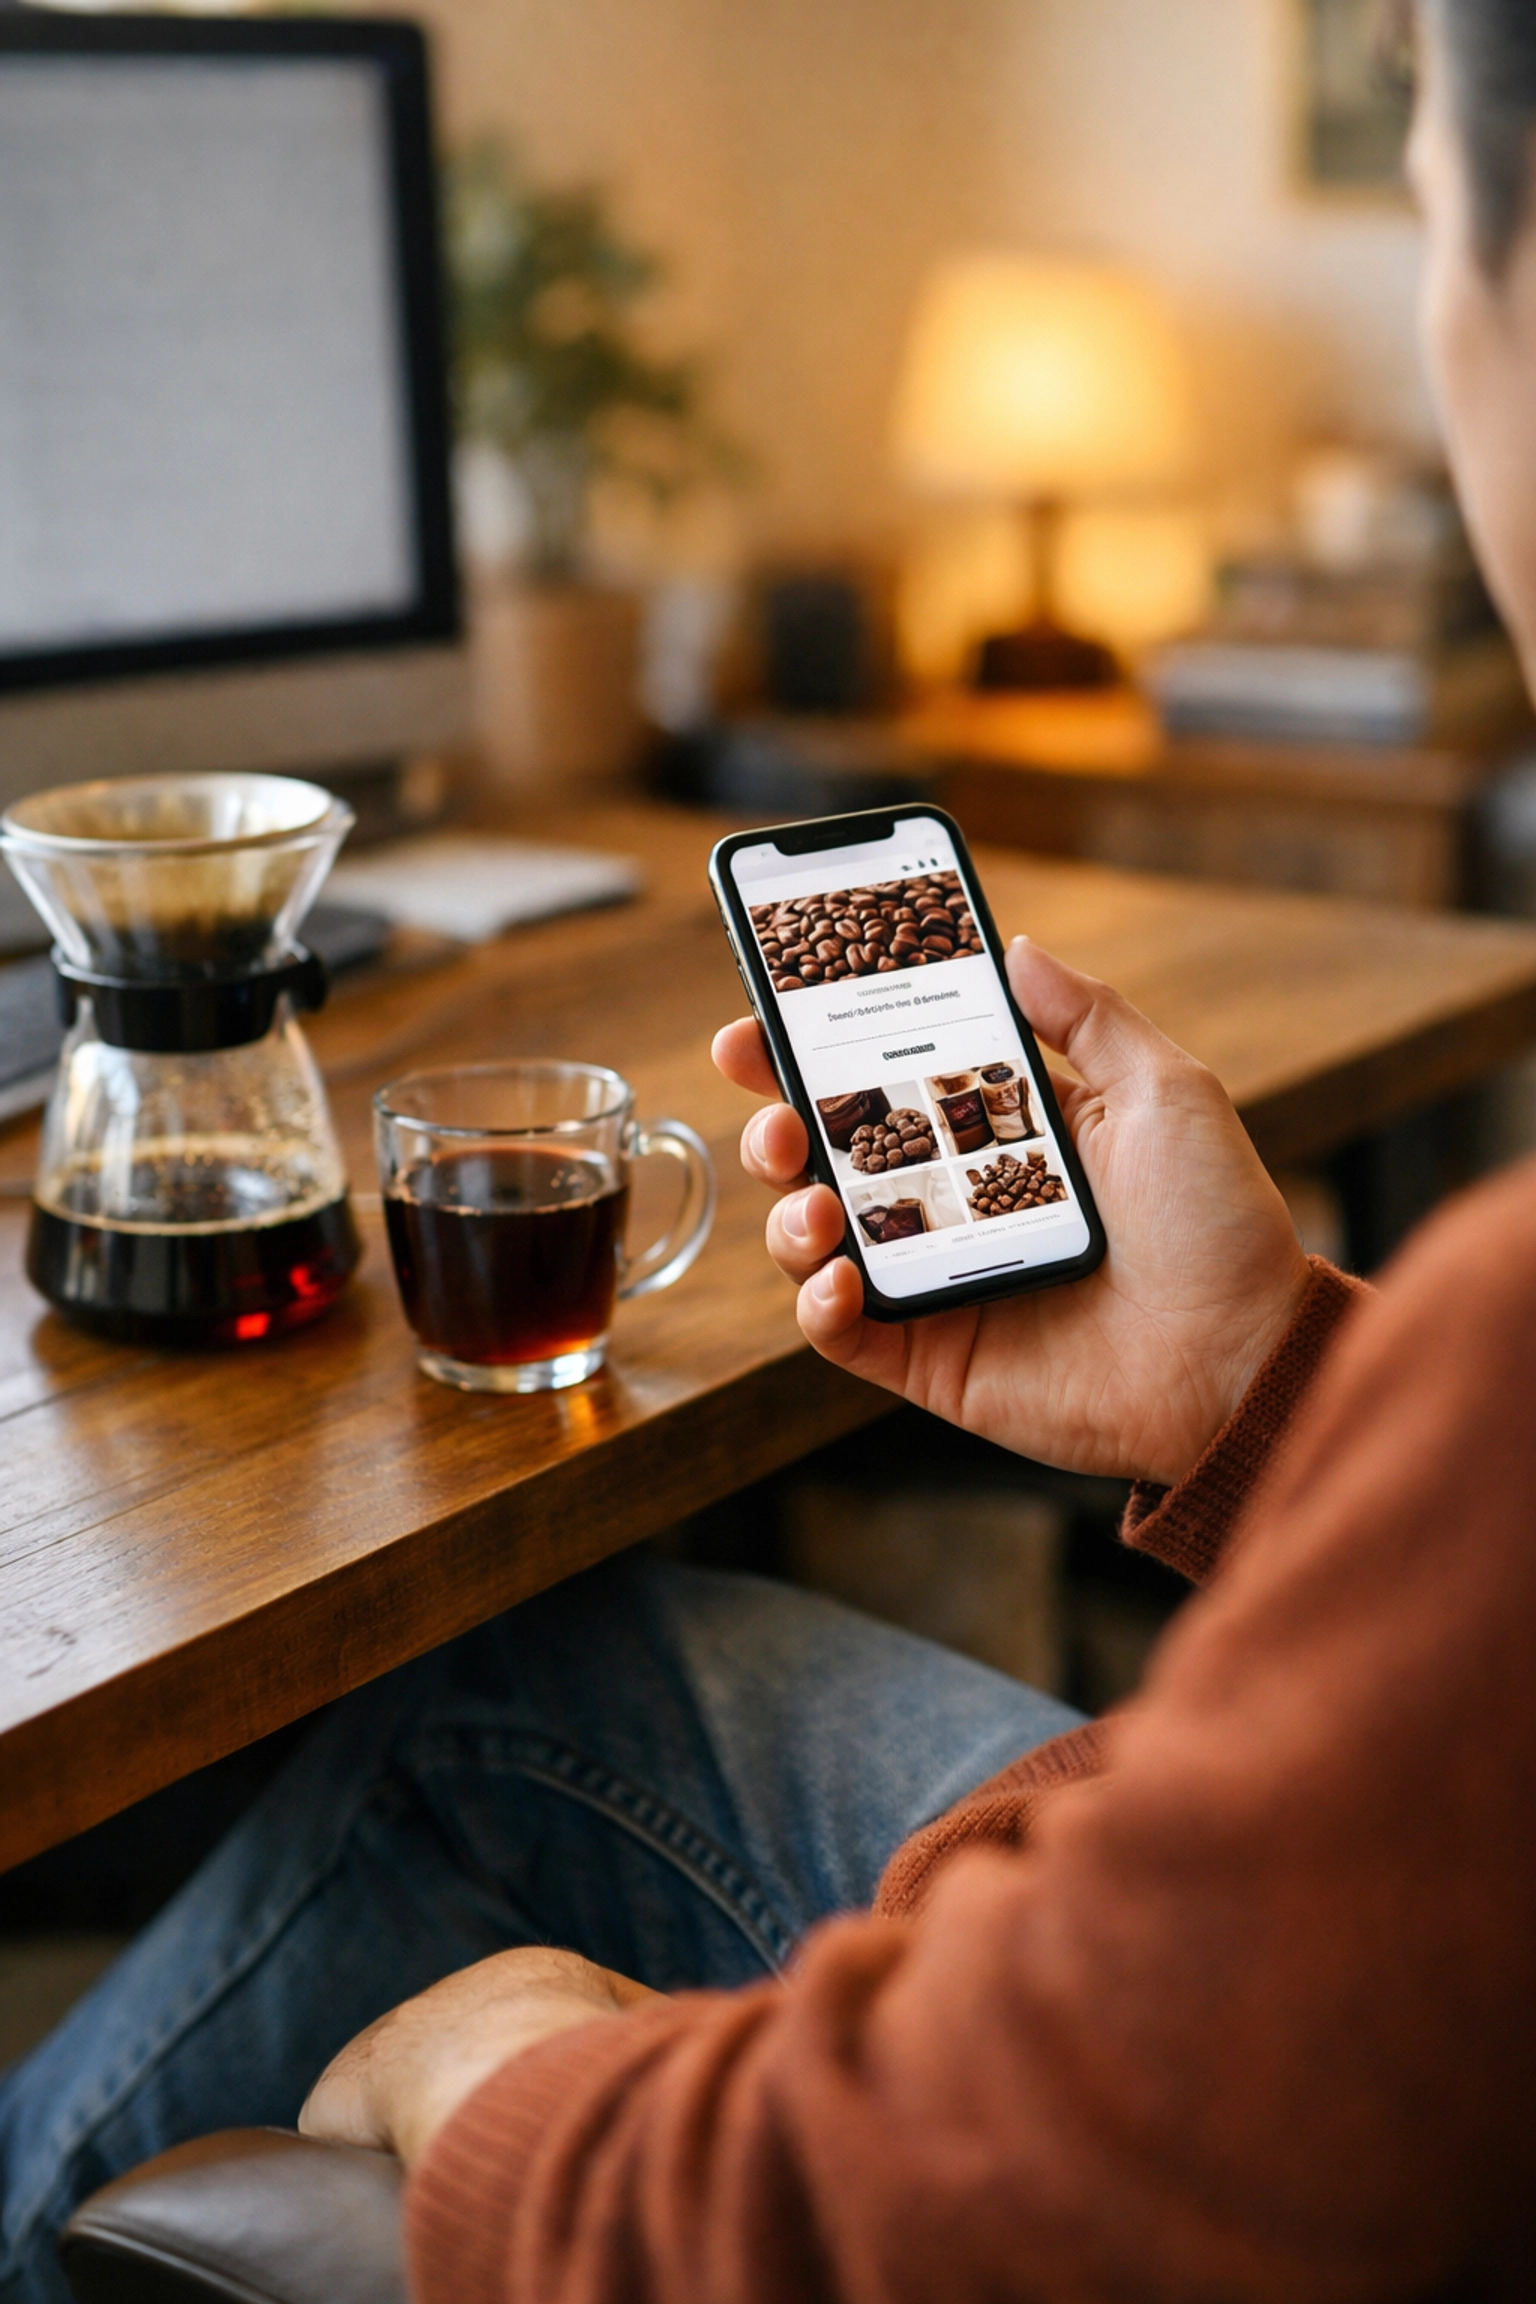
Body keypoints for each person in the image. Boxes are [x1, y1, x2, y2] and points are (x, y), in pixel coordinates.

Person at [3, 1, 1536, 2294]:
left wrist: (509, 2066)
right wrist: (1280, 1391)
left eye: (1420, 210)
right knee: (545, 1677)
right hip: (1229, 1895)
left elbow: (920, 2205)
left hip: (1108, 2030)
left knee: (469, 1741)